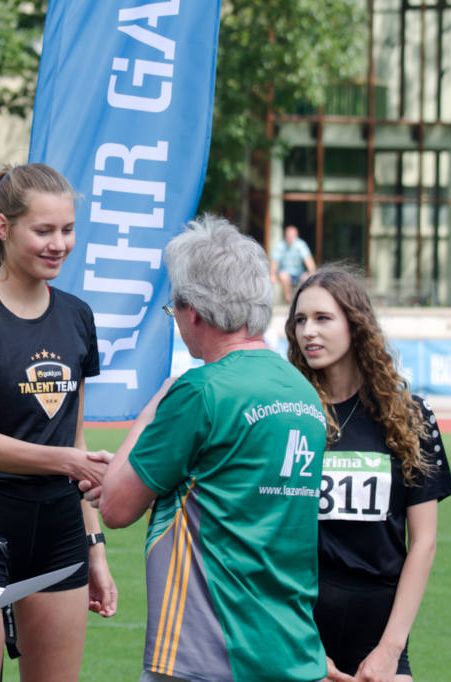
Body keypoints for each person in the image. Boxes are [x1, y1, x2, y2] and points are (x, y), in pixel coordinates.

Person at [91, 215, 329, 682]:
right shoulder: (302, 391)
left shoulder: (199, 391)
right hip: (290, 648)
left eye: (173, 309)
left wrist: (157, 403)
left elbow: (117, 508)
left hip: (204, 651)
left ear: (193, 310)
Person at [0, 163, 117, 682]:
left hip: (60, 532)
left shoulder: (78, 315)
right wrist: (68, 461)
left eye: (67, 229)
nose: (58, 243)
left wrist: (95, 551)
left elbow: (75, 440)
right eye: (44, 230)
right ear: (2, 227)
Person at [285, 267, 451, 682]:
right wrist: (304, 646)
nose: (309, 331)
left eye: (323, 319)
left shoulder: (410, 417)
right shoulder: (289, 413)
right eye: (301, 320)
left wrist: (389, 650)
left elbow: (425, 542)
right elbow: (273, 537)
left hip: (382, 637)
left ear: (355, 324)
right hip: (301, 634)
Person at [270, 225, 316, 302]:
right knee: (283, 276)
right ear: (285, 236)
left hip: (299, 272)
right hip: (285, 272)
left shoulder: (301, 245)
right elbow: (274, 261)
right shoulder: (280, 245)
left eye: (292, 236)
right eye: (288, 236)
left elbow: (309, 261)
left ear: (296, 236)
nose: (290, 238)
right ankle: (289, 300)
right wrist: (272, 274)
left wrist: (312, 273)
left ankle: (303, 300)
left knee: (307, 277)